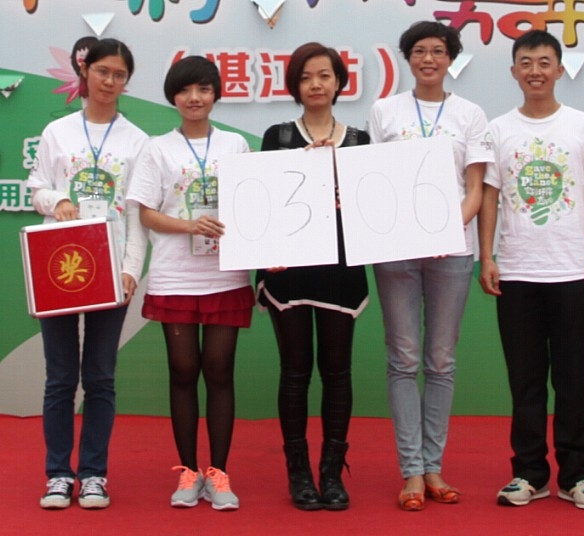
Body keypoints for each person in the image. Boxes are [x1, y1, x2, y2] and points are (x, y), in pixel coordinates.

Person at [478, 29, 584, 510]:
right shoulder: (499, 129)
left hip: (572, 272)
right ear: (513, 71)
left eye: (543, 62)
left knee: (575, 380)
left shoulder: (583, 126)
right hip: (517, 273)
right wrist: (487, 256)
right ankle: (529, 473)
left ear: (559, 69)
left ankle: (577, 475)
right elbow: (490, 197)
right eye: (525, 62)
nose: (534, 71)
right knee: (526, 381)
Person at [368, 21, 493, 511]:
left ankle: (434, 465)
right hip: (396, 250)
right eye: (419, 51)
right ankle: (412, 471)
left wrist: (443, 231)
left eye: (438, 51)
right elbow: (375, 181)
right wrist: (411, 232)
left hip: (452, 250)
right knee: (403, 358)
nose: (428, 59)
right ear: (407, 57)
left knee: (441, 360)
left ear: (451, 58)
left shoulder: (470, 113)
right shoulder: (385, 110)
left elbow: (475, 188)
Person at [127, 56, 254, 511]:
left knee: (219, 372)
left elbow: (253, 206)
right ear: (173, 97)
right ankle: (187, 471)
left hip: (225, 277)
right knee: (182, 373)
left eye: (203, 89)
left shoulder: (236, 145)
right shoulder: (157, 148)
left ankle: (218, 473)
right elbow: (146, 213)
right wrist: (189, 226)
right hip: (174, 276)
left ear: (216, 94)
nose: (194, 98)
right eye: (184, 90)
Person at [28, 38, 149, 510]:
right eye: (102, 71)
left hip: (109, 271)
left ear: (126, 81)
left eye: (119, 75)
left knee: (100, 377)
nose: (109, 81)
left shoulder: (136, 141)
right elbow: (37, 187)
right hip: (59, 268)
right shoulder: (57, 132)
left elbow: (136, 214)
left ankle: (94, 473)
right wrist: (57, 200)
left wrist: (131, 270)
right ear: (85, 72)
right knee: (60, 378)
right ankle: (58, 474)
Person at [256, 42, 369, 511]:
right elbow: (261, 205)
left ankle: (332, 471)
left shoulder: (360, 141)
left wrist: (340, 182)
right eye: (306, 77)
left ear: (340, 82)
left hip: (341, 272)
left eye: (324, 76)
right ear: (294, 86)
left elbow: (372, 212)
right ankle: (299, 473)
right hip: (290, 274)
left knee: (337, 372)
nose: (316, 84)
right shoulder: (277, 136)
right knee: (295, 372)